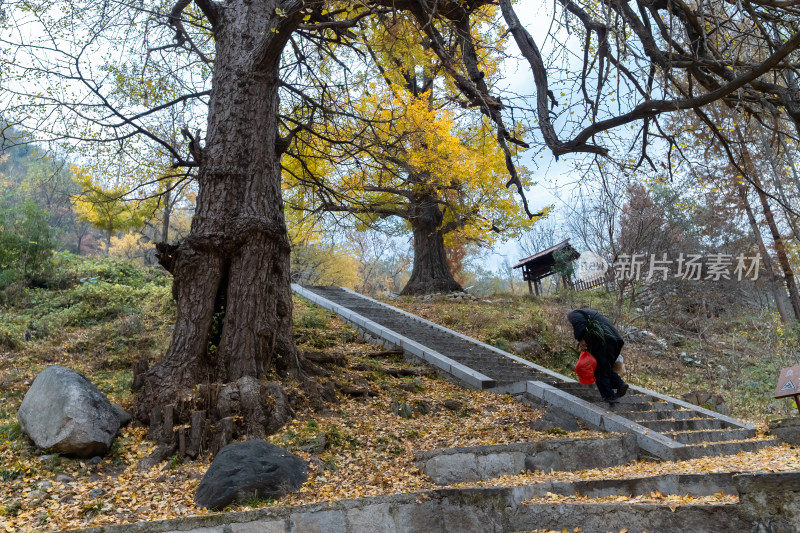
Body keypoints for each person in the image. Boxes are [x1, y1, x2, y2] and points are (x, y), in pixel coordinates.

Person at [567, 309, 629, 404]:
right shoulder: (590, 313)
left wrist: (580, 339)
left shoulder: (573, 314)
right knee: (606, 367)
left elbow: (579, 325)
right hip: (614, 340)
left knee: (598, 368)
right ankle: (619, 384)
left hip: (603, 340)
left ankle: (609, 396)